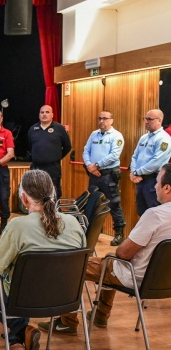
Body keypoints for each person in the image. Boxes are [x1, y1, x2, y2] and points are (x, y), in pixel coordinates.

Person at [40, 163, 171, 334]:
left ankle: (67, 322)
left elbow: (123, 253)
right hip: (163, 281)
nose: (155, 186)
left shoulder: (155, 215)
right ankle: (101, 314)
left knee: (69, 267)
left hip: (136, 277)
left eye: (157, 181)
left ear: (167, 188)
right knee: (109, 261)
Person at [0, 170, 86, 350]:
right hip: (65, 299)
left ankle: (21, 330)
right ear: (53, 193)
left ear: (24, 199)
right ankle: (18, 337)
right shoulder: (73, 222)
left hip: (25, 299)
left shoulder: (18, 226)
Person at [82, 110, 127, 245]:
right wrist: (89, 165)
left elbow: (114, 155)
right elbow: (86, 151)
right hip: (94, 175)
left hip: (108, 176)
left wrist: (96, 165)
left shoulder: (116, 136)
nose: (102, 121)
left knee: (114, 204)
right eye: (99, 118)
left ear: (111, 120)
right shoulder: (94, 134)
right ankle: (92, 231)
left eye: (105, 119)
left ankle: (119, 234)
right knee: (92, 203)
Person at [129, 109, 171, 215]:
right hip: (140, 181)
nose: (146, 121)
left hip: (153, 181)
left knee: (154, 213)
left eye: (150, 119)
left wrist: (136, 172)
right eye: (145, 119)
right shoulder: (144, 137)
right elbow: (135, 156)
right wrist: (133, 171)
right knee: (141, 212)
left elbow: (156, 163)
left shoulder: (164, 138)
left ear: (159, 121)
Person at [27, 105, 72, 200]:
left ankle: (54, 213)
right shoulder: (32, 129)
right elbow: (30, 146)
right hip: (36, 167)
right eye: (42, 112)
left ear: (52, 115)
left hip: (53, 167)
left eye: (47, 112)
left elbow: (68, 147)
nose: (44, 114)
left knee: (54, 192)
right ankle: (38, 214)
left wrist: (57, 156)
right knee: (36, 192)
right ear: (39, 115)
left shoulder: (59, 128)